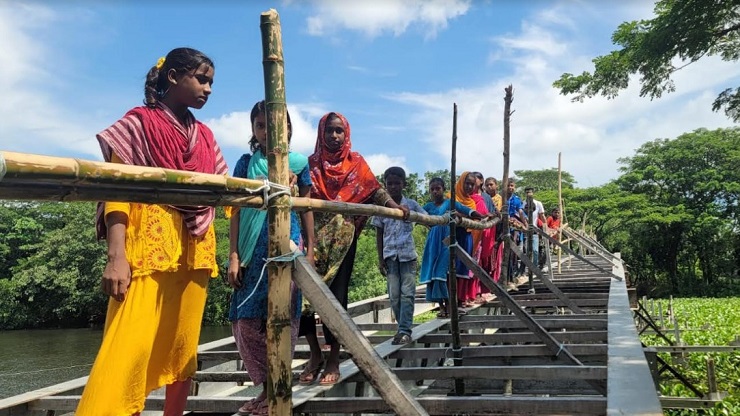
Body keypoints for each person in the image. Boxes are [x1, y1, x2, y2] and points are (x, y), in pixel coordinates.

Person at [77, 48, 228, 416]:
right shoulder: (137, 124)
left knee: (182, 347)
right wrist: (116, 257)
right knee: (127, 348)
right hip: (148, 247)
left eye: (211, 82)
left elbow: (224, 190)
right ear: (173, 76)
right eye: (201, 79)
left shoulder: (205, 136)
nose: (208, 89)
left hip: (195, 248)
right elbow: (117, 192)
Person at [298, 112, 409, 386]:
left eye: (339, 131)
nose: (334, 137)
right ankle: (315, 354)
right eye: (329, 131)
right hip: (312, 239)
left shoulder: (355, 162)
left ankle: (334, 356)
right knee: (301, 300)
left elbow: (374, 191)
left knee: (336, 299)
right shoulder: (310, 165)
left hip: (343, 241)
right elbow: (300, 196)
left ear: (346, 134)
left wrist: (395, 208)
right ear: (321, 133)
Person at [227, 101, 315, 416]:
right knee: (245, 320)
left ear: (288, 128)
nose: (266, 132)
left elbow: (306, 208)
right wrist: (234, 254)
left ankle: (277, 392)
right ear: (253, 130)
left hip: (287, 245)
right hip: (253, 249)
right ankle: (266, 388)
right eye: (260, 126)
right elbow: (235, 210)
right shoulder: (245, 163)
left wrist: (311, 249)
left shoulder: (300, 163)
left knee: (285, 317)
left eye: (274, 125)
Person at [371, 167, 426, 345]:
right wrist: (380, 259)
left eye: (397, 183)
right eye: (390, 184)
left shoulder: (411, 205)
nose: (393, 187)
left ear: (404, 184)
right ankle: (401, 329)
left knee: (407, 294)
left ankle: (404, 330)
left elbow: (427, 219)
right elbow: (379, 234)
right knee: (394, 295)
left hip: (407, 256)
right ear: (385, 185)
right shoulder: (381, 207)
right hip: (390, 256)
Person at [420, 177, 481, 317]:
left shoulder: (449, 203)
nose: (435, 191)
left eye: (438, 188)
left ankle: (449, 306)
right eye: (432, 189)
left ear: (443, 189)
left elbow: (467, 210)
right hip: (432, 243)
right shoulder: (428, 207)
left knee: (443, 273)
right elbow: (418, 215)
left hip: (446, 242)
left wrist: (482, 216)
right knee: (434, 274)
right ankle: (441, 308)